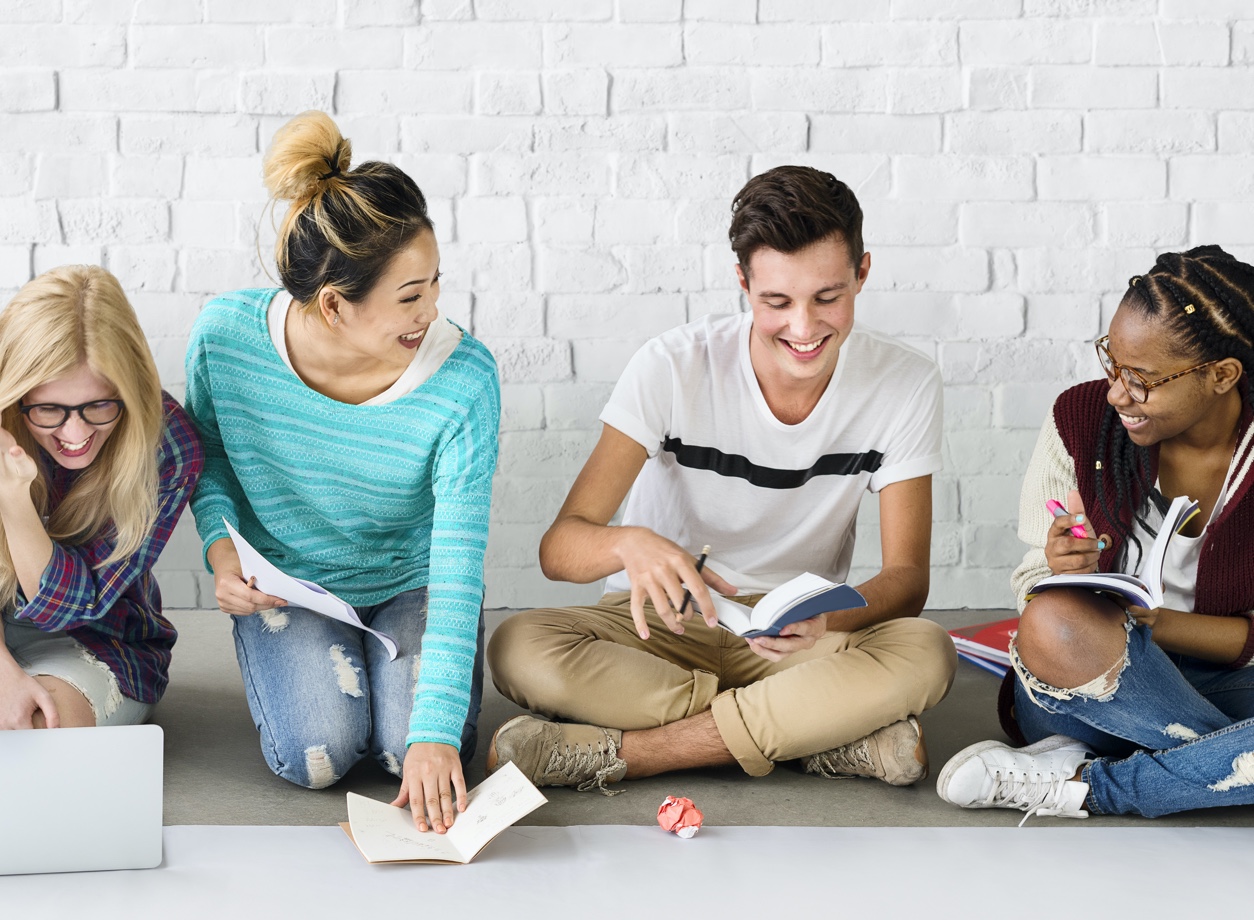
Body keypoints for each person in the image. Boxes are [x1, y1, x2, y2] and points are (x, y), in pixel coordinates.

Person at [486, 166, 957, 793]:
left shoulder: (905, 382)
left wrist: (829, 622)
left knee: (926, 652)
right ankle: (816, 738)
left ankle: (631, 753)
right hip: (660, 629)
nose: (803, 328)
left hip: (796, 642)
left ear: (862, 274)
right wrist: (631, 543)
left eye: (828, 297)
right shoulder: (672, 367)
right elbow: (559, 549)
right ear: (743, 284)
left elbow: (907, 579)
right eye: (776, 302)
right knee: (517, 644)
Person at [184, 110, 500, 834]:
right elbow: (211, 456)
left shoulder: (465, 378)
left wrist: (431, 736)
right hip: (291, 583)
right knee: (315, 756)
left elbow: (457, 561)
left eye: (435, 285)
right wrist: (221, 549)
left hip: (412, 579)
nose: (433, 310)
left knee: (405, 754)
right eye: (410, 296)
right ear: (334, 305)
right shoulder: (226, 341)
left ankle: (400, 699)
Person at [937, 246, 1254, 821]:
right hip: (1088, 689)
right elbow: (1035, 585)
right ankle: (1226, 759)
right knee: (1052, 621)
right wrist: (1063, 573)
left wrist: (1162, 623)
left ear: (1221, 375)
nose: (1116, 392)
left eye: (1143, 380)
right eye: (1112, 363)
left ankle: (1086, 784)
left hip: (1231, 683)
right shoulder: (1081, 421)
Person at [0, 265, 202, 731]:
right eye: (49, 409)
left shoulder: (168, 446)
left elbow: (70, 608)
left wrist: (12, 499)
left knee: (34, 732)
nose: (75, 434)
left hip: (96, 637)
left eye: (99, 405)